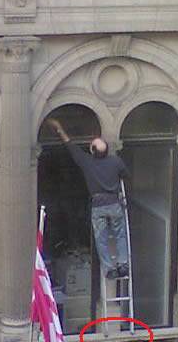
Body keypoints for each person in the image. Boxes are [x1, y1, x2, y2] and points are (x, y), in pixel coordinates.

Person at [48, 119, 130, 280]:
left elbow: (71, 146)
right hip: (114, 203)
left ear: (92, 151)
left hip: (98, 205)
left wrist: (59, 129)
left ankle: (109, 269)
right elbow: (126, 175)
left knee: (101, 239)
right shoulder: (116, 161)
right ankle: (123, 264)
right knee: (120, 235)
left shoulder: (87, 162)